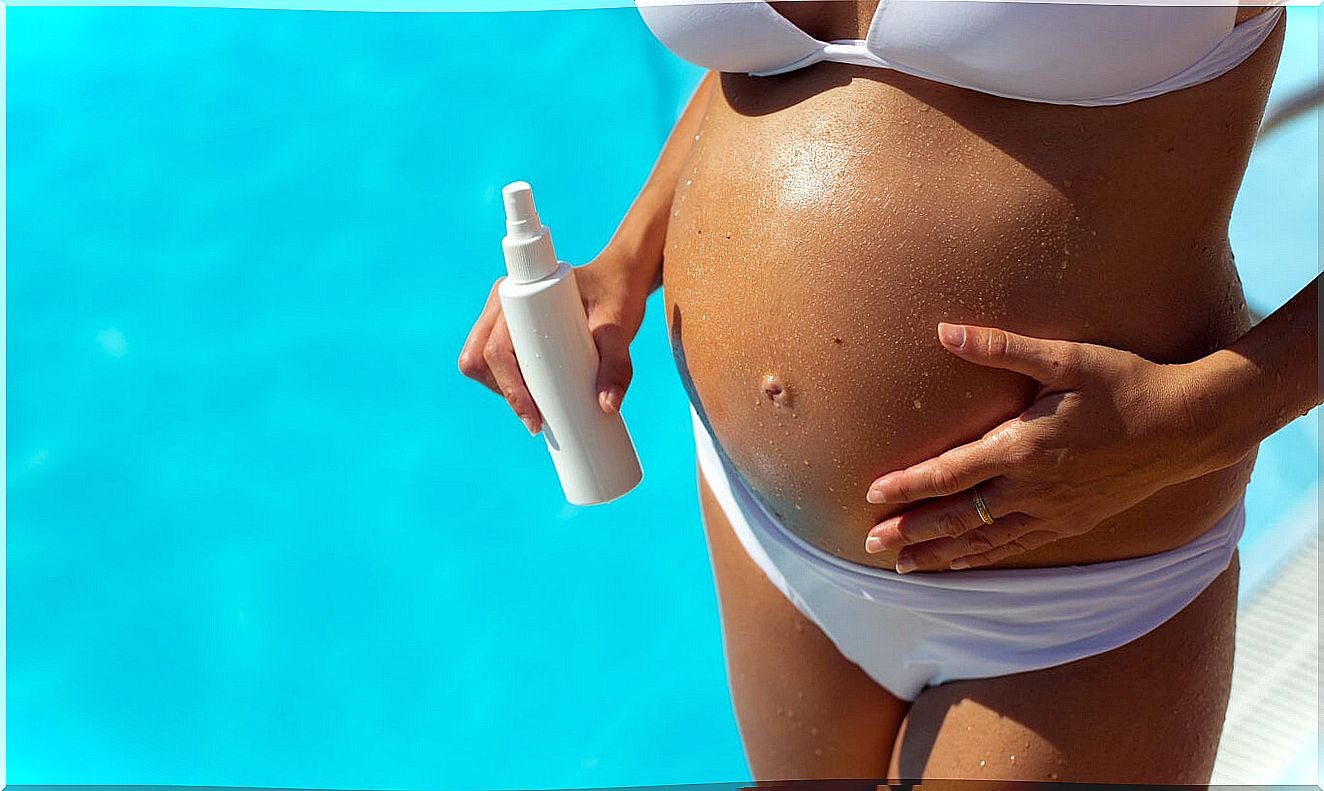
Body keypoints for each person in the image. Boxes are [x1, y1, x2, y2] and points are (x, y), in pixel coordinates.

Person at [460, 0, 1318, 781]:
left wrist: (1210, 415)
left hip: (1074, 603)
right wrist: (628, 256)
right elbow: (777, 60)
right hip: (763, 537)